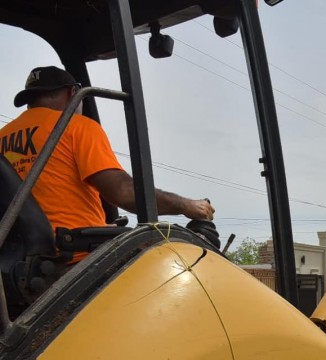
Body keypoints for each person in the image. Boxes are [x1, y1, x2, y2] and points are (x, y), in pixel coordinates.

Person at [0, 66, 214, 260]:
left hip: (15, 264)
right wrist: (188, 206)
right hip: (72, 258)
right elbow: (124, 193)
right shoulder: (76, 127)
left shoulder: (3, 137)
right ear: (73, 93)